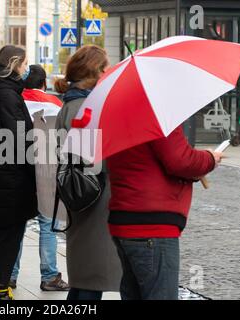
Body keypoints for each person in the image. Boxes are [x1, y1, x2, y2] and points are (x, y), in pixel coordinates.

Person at [107, 129, 222, 300]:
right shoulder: (158, 114)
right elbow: (180, 160)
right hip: (152, 226)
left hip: (125, 219)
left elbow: (145, 162)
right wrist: (211, 158)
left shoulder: (123, 118)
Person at [55, 45, 122, 300]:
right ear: (94, 71)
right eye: (104, 67)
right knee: (90, 279)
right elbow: (88, 159)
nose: (107, 72)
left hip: (84, 193)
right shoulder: (83, 106)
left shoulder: (76, 103)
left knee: (86, 277)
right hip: (92, 194)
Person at [0, 45, 38, 300]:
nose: (26, 69)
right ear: (14, 64)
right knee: (10, 233)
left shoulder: (4, 91)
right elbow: (18, 138)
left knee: (4, 232)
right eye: (25, 65)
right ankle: (0, 289)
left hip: (3, 172)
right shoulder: (7, 95)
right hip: (10, 175)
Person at [9, 64, 69, 292]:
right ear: (44, 84)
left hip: (18, 169)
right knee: (48, 225)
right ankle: (50, 275)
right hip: (47, 171)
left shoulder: (14, 101)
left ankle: (10, 275)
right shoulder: (56, 105)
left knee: (17, 226)